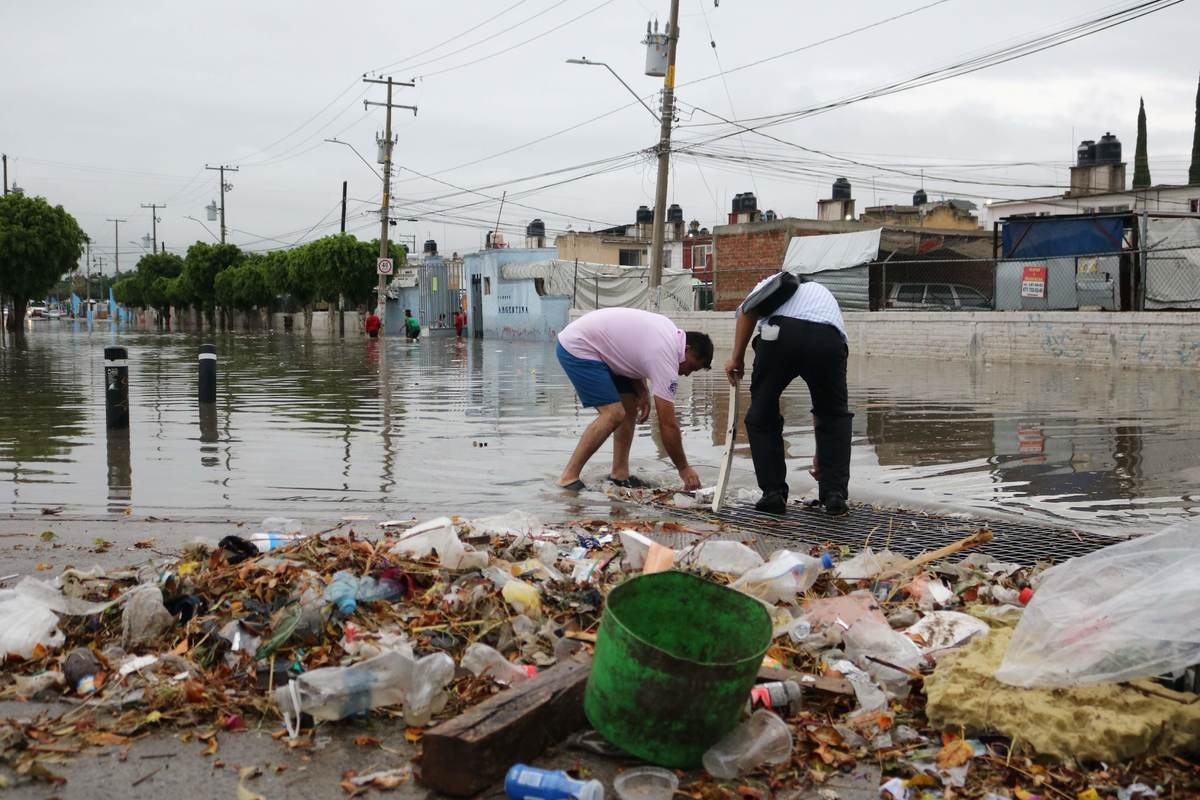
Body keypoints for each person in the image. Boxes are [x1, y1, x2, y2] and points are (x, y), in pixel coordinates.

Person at [724, 273, 852, 517]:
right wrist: (822, 455)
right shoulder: (822, 292)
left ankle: (773, 493)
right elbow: (824, 416)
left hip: (779, 337)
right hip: (829, 341)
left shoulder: (768, 283)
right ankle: (834, 495)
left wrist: (736, 358)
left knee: (762, 414)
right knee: (833, 416)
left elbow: (747, 313)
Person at [555, 307, 713, 492]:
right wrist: (684, 468)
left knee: (629, 407)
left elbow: (631, 353)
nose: (686, 373)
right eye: (691, 367)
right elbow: (667, 423)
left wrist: (642, 391)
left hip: (602, 347)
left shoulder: (670, 332)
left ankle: (619, 475)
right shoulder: (667, 355)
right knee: (613, 414)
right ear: (686, 349)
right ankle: (568, 477)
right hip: (578, 346)